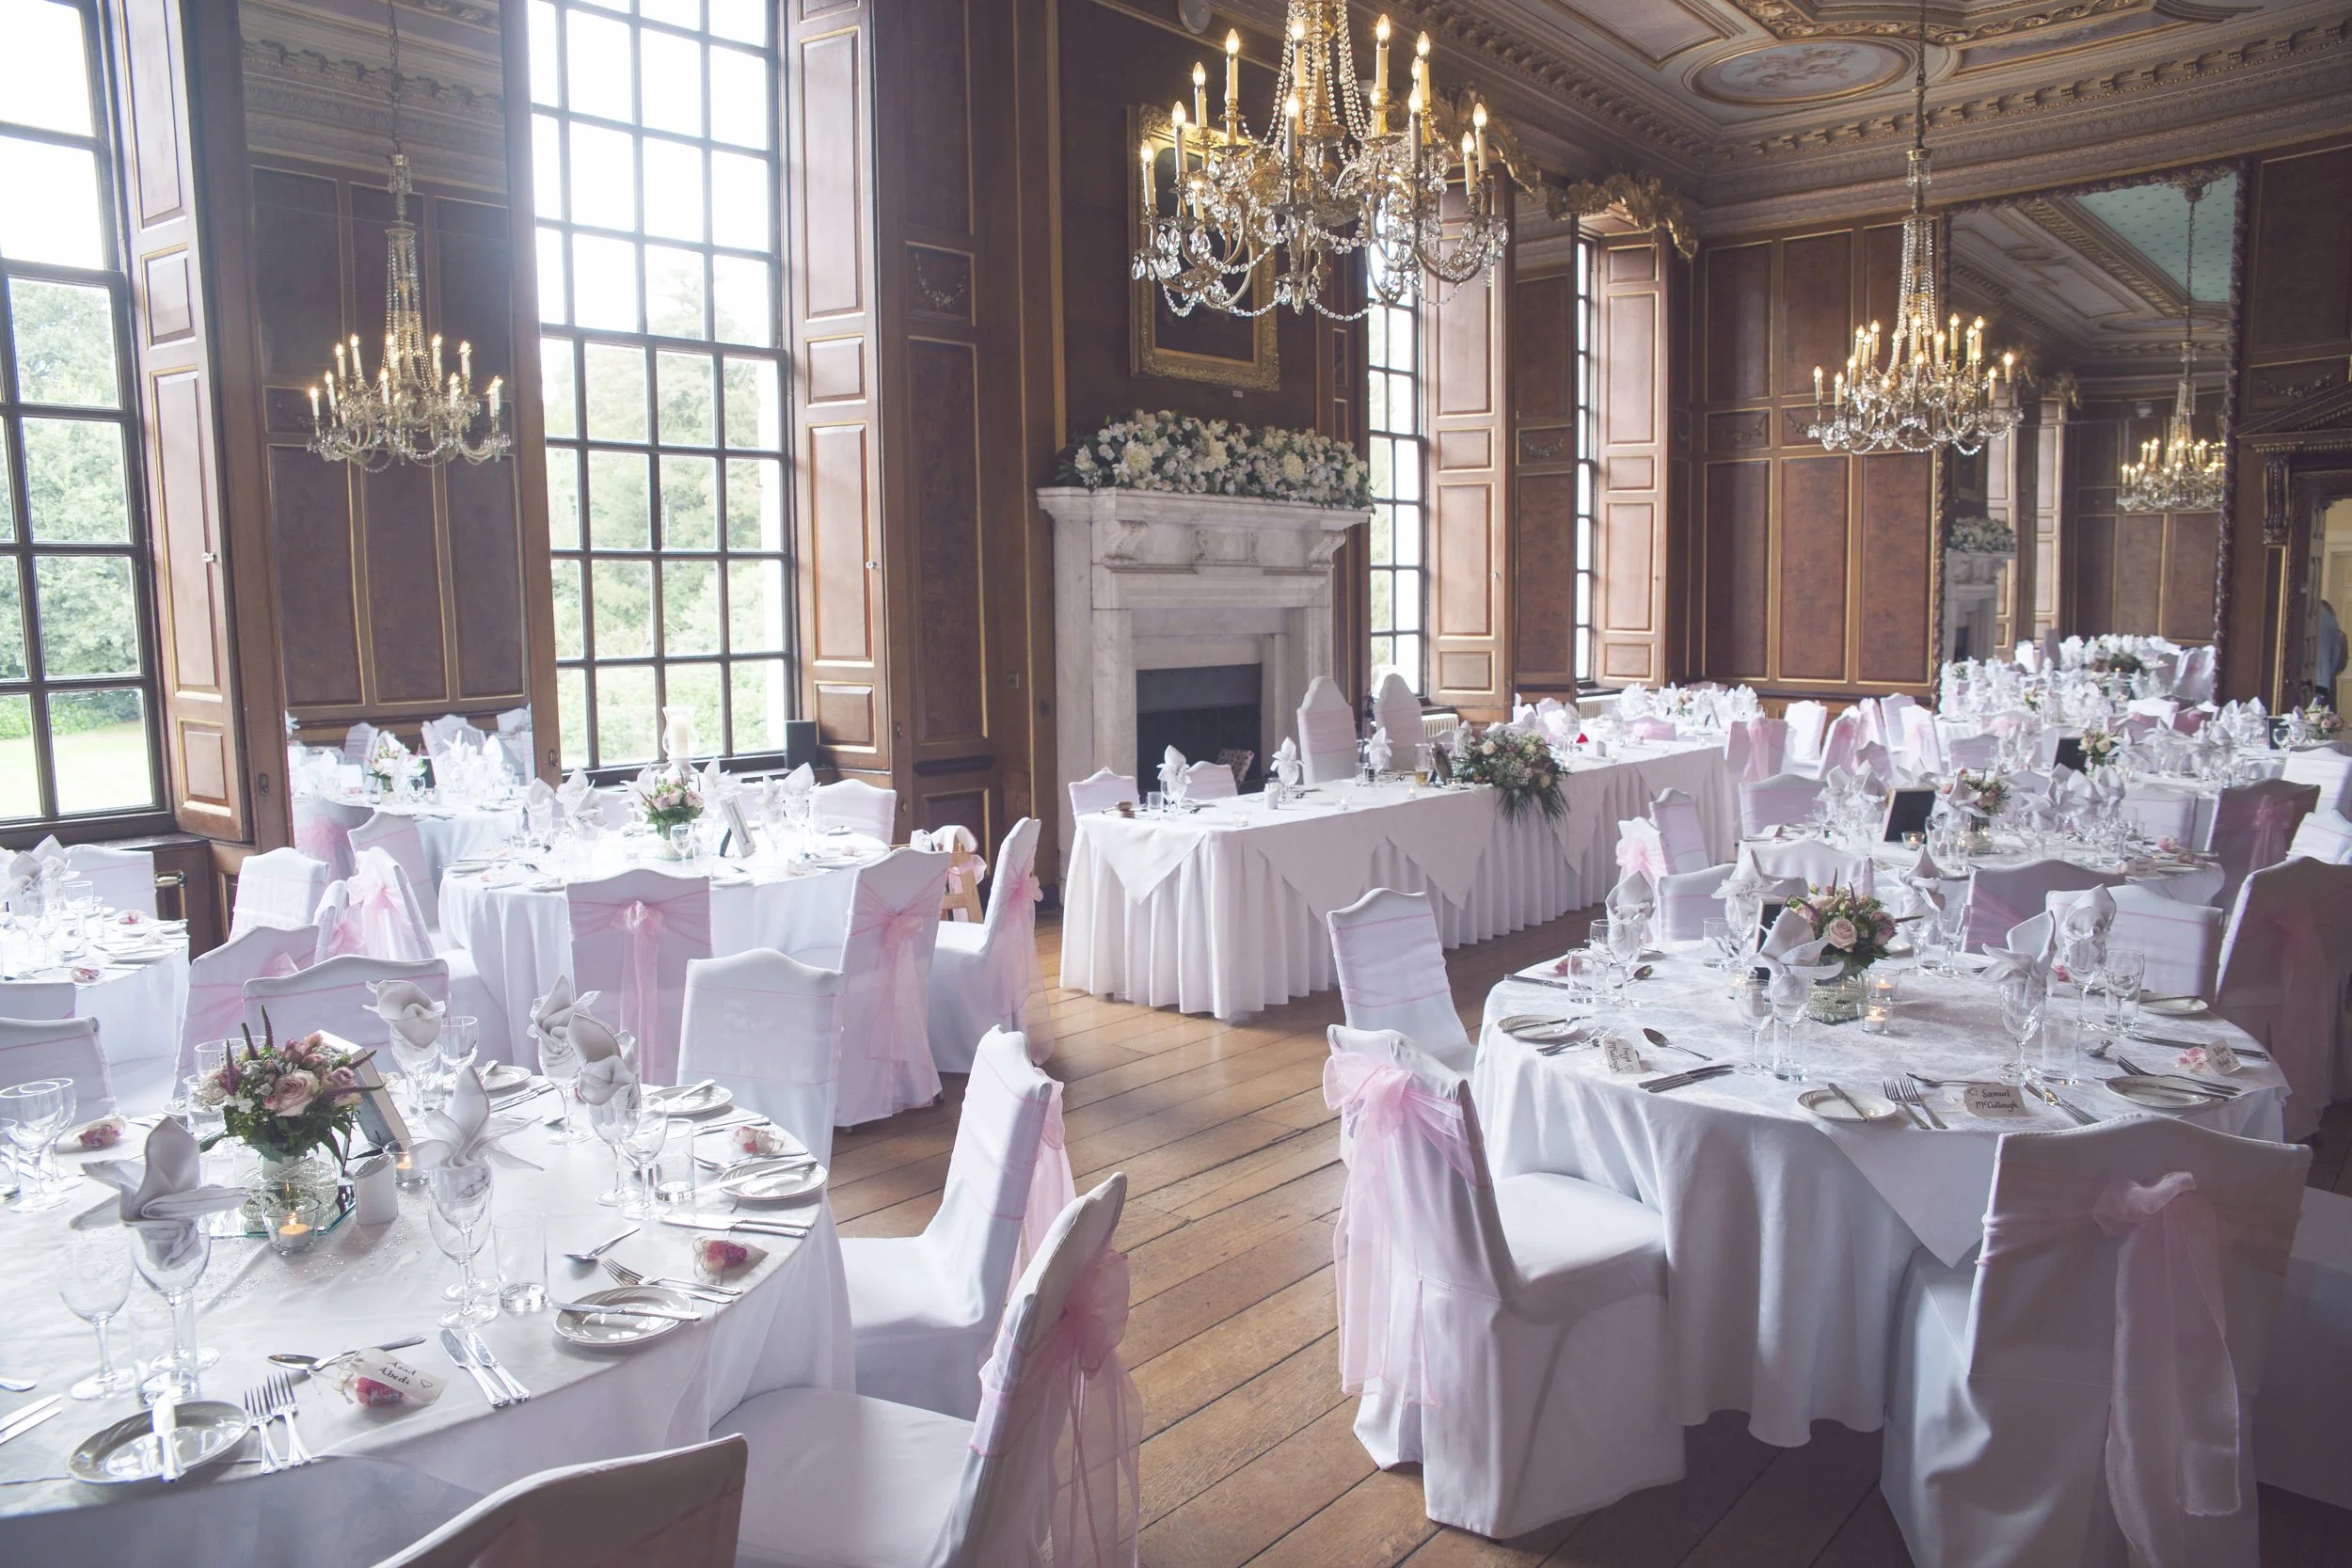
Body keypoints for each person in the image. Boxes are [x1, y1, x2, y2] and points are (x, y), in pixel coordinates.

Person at [2322, 598, 2347, 709]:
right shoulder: (2340, 636)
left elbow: (2341, 664)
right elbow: (2341, 664)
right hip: (2328, 682)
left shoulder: (2339, 636)